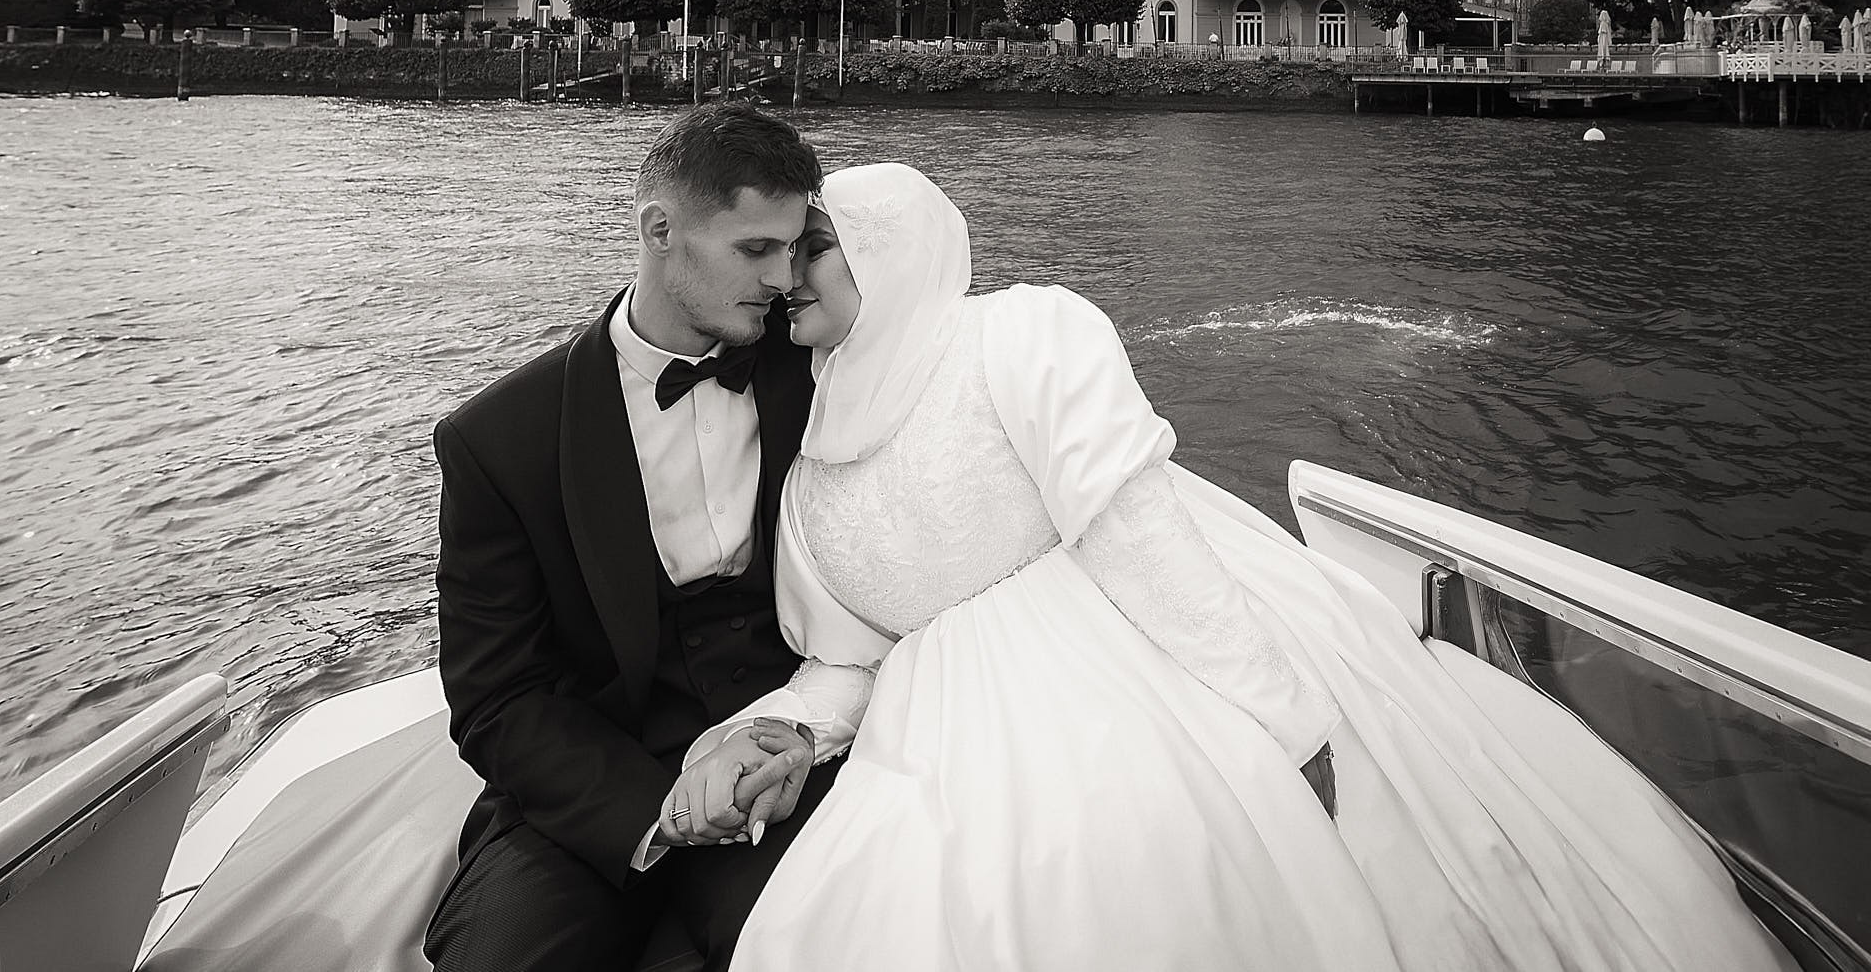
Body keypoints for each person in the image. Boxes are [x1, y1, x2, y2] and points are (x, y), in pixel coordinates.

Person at [710, 162, 1794, 971]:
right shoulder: (805, 477)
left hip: (1155, 666)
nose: (782, 274)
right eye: (773, 252)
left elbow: (1141, 539)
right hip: (947, 746)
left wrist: (1287, 726)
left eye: (811, 245)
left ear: (891, 248)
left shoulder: (1021, 333)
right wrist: (785, 734)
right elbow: (846, 661)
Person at [425, 103, 846, 972]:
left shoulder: (821, 371)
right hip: (595, 791)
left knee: (817, 945)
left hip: (785, 758)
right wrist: (658, 812)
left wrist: (794, 737)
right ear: (660, 230)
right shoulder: (499, 437)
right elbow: (497, 695)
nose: (784, 278)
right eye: (755, 249)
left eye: (796, 247)